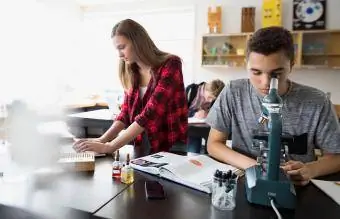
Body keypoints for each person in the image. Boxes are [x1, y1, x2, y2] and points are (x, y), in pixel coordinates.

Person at [206, 26, 340, 186]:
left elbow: (336, 156)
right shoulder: (233, 92)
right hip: (245, 184)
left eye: (276, 74)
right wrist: (257, 168)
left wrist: (310, 169)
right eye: (256, 72)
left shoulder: (318, 101)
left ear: (292, 64)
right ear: (246, 64)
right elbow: (214, 144)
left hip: (297, 190)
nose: (266, 83)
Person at [73, 19, 188, 155]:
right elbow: (126, 113)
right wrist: (102, 140)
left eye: (122, 47)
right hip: (141, 144)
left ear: (138, 42)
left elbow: (150, 113)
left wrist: (110, 146)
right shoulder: (132, 70)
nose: (119, 54)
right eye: (117, 49)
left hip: (170, 145)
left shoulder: (171, 64)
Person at [186, 80, 225, 153]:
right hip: (192, 127)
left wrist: (209, 114)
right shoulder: (191, 91)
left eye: (213, 99)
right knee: (193, 152)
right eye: (209, 97)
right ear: (205, 90)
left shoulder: (216, 97)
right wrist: (194, 114)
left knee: (212, 149)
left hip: (208, 128)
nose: (210, 101)